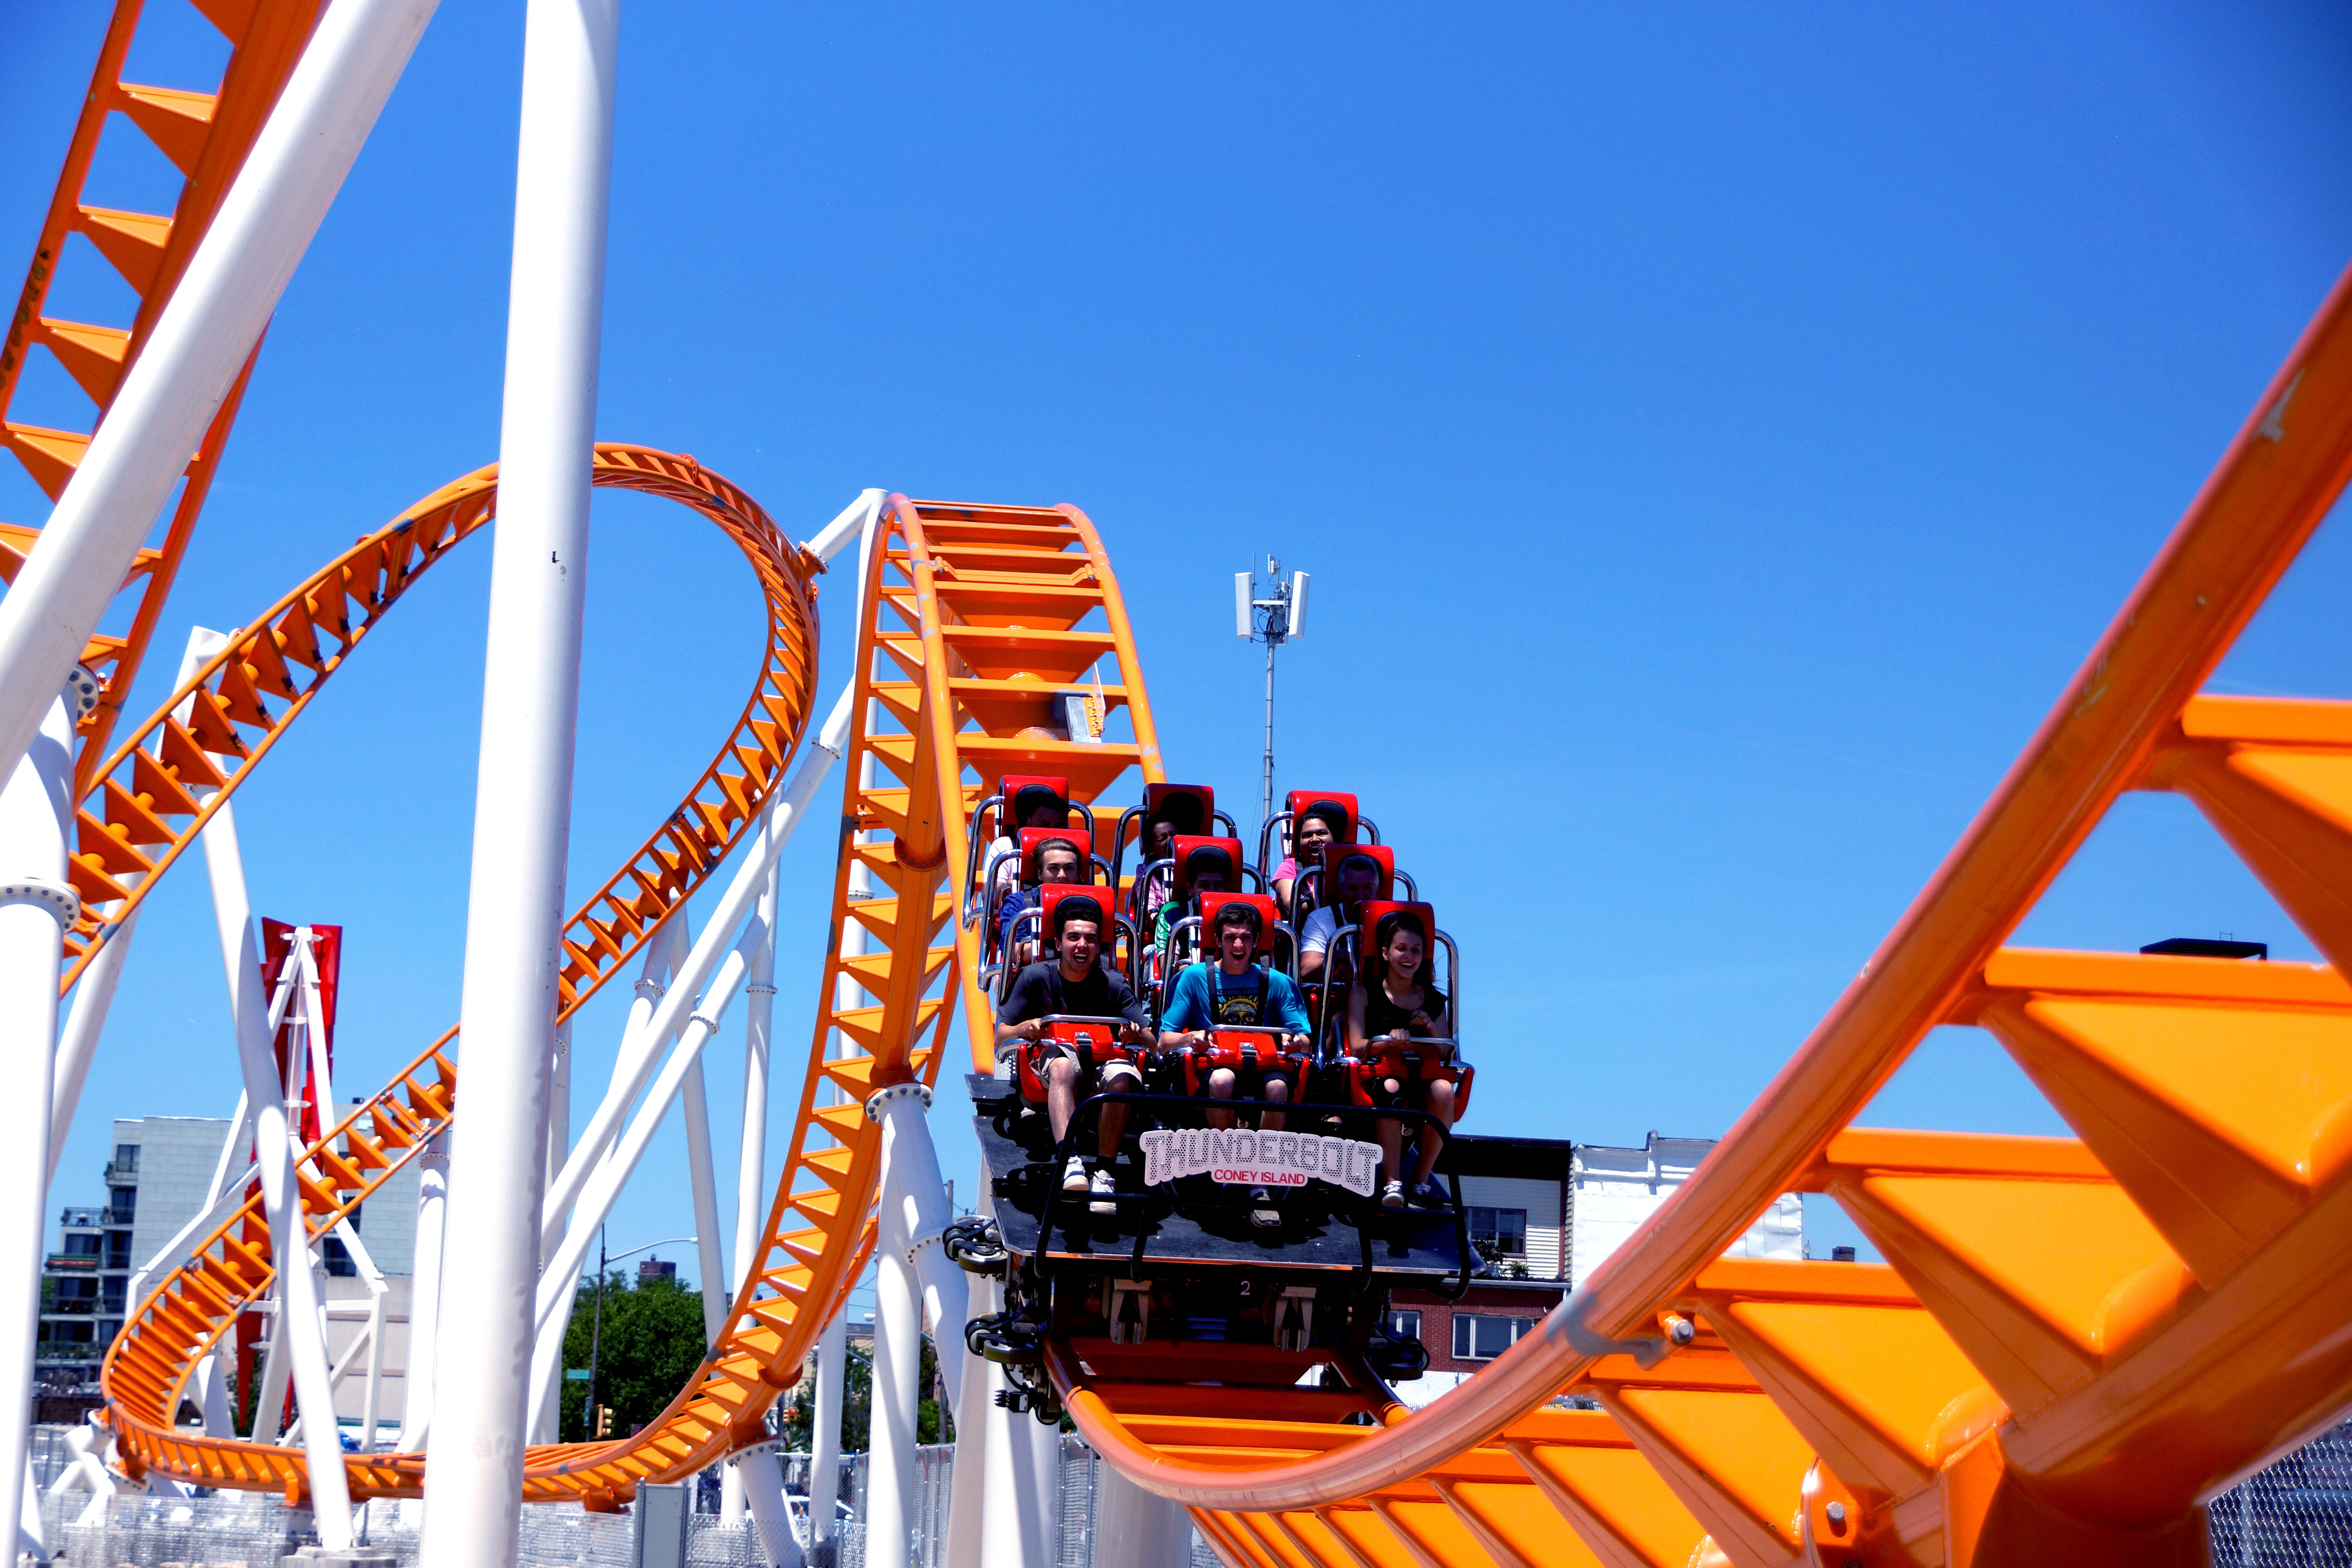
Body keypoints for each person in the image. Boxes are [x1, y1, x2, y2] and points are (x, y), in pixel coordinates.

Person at [994, 895, 1154, 1215]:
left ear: (1099, 947)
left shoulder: (1113, 984)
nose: (1082, 946)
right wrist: (1025, 1028)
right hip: (1053, 1058)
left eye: (1091, 940)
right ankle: (1070, 1161)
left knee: (1123, 1076)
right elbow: (1001, 1035)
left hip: (1101, 1062)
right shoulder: (1035, 977)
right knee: (1064, 1068)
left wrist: (1134, 1034)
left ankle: (1105, 1172)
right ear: (1058, 943)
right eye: (1074, 938)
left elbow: (1151, 1040)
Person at [1159, 900, 1312, 1229]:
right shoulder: (1194, 978)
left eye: (1245, 937)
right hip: (1214, 1070)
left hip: (1263, 1070)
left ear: (1257, 941)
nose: (1238, 945)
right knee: (1222, 1080)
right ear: (1218, 941)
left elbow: (1305, 1040)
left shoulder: (1279, 983)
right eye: (1230, 938)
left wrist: (1293, 1042)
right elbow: (1164, 1040)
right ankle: (1231, 1171)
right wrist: (1192, 1039)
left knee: (1277, 1087)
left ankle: (1259, 1180)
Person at [1344, 908, 1456, 1208]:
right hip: (1382, 1075)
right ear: (1385, 953)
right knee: (1391, 1088)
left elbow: (1446, 1050)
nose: (1409, 957)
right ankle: (1392, 1181)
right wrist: (1388, 1043)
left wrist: (1430, 1027)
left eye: (1416, 951)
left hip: (1421, 1075)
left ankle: (1420, 1182)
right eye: (1402, 949)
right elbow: (1356, 1046)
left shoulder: (1432, 999)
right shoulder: (1364, 994)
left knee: (1444, 1091)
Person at [996, 835, 1085, 969]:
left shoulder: (1092, 903)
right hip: (1037, 972)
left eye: (1069, 868)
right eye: (1054, 868)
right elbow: (1013, 951)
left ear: (1078, 873)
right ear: (1040, 873)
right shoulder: (1018, 902)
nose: (1062, 875)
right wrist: (1067, 947)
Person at [1297, 851, 1383, 988]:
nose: (1360, 895)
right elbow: (1305, 972)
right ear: (1340, 891)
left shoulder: (1394, 924)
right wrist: (1338, 956)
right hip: (1336, 1000)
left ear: (1377, 892)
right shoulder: (1320, 920)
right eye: (1352, 888)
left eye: (1367, 888)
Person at [985, 783, 1071, 918]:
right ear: (1029, 822)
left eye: (1058, 826)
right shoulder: (1006, 847)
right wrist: (1009, 887)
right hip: (1019, 915)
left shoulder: (1072, 852)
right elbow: (989, 898)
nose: (1051, 832)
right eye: (1045, 825)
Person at [1149, 844, 1233, 974]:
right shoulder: (1172, 913)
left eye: (1218, 885)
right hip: (1189, 984)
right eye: (1204, 885)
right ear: (1190, 889)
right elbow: (1167, 972)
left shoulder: (1241, 915)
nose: (1211, 892)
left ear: (1226, 889)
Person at [1271, 800, 1348, 920]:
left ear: (1334, 839)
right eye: (1307, 836)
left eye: (1322, 834)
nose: (1314, 840)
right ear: (1299, 844)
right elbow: (1292, 905)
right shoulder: (1289, 867)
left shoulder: (1348, 868)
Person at [1133, 796, 1203, 927]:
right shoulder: (1147, 871)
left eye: (1173, 835)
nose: (1170, 840)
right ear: (1152, 846)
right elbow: (1149, 907)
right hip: (1164, 927)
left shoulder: (1196, 864)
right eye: (1163, 838)